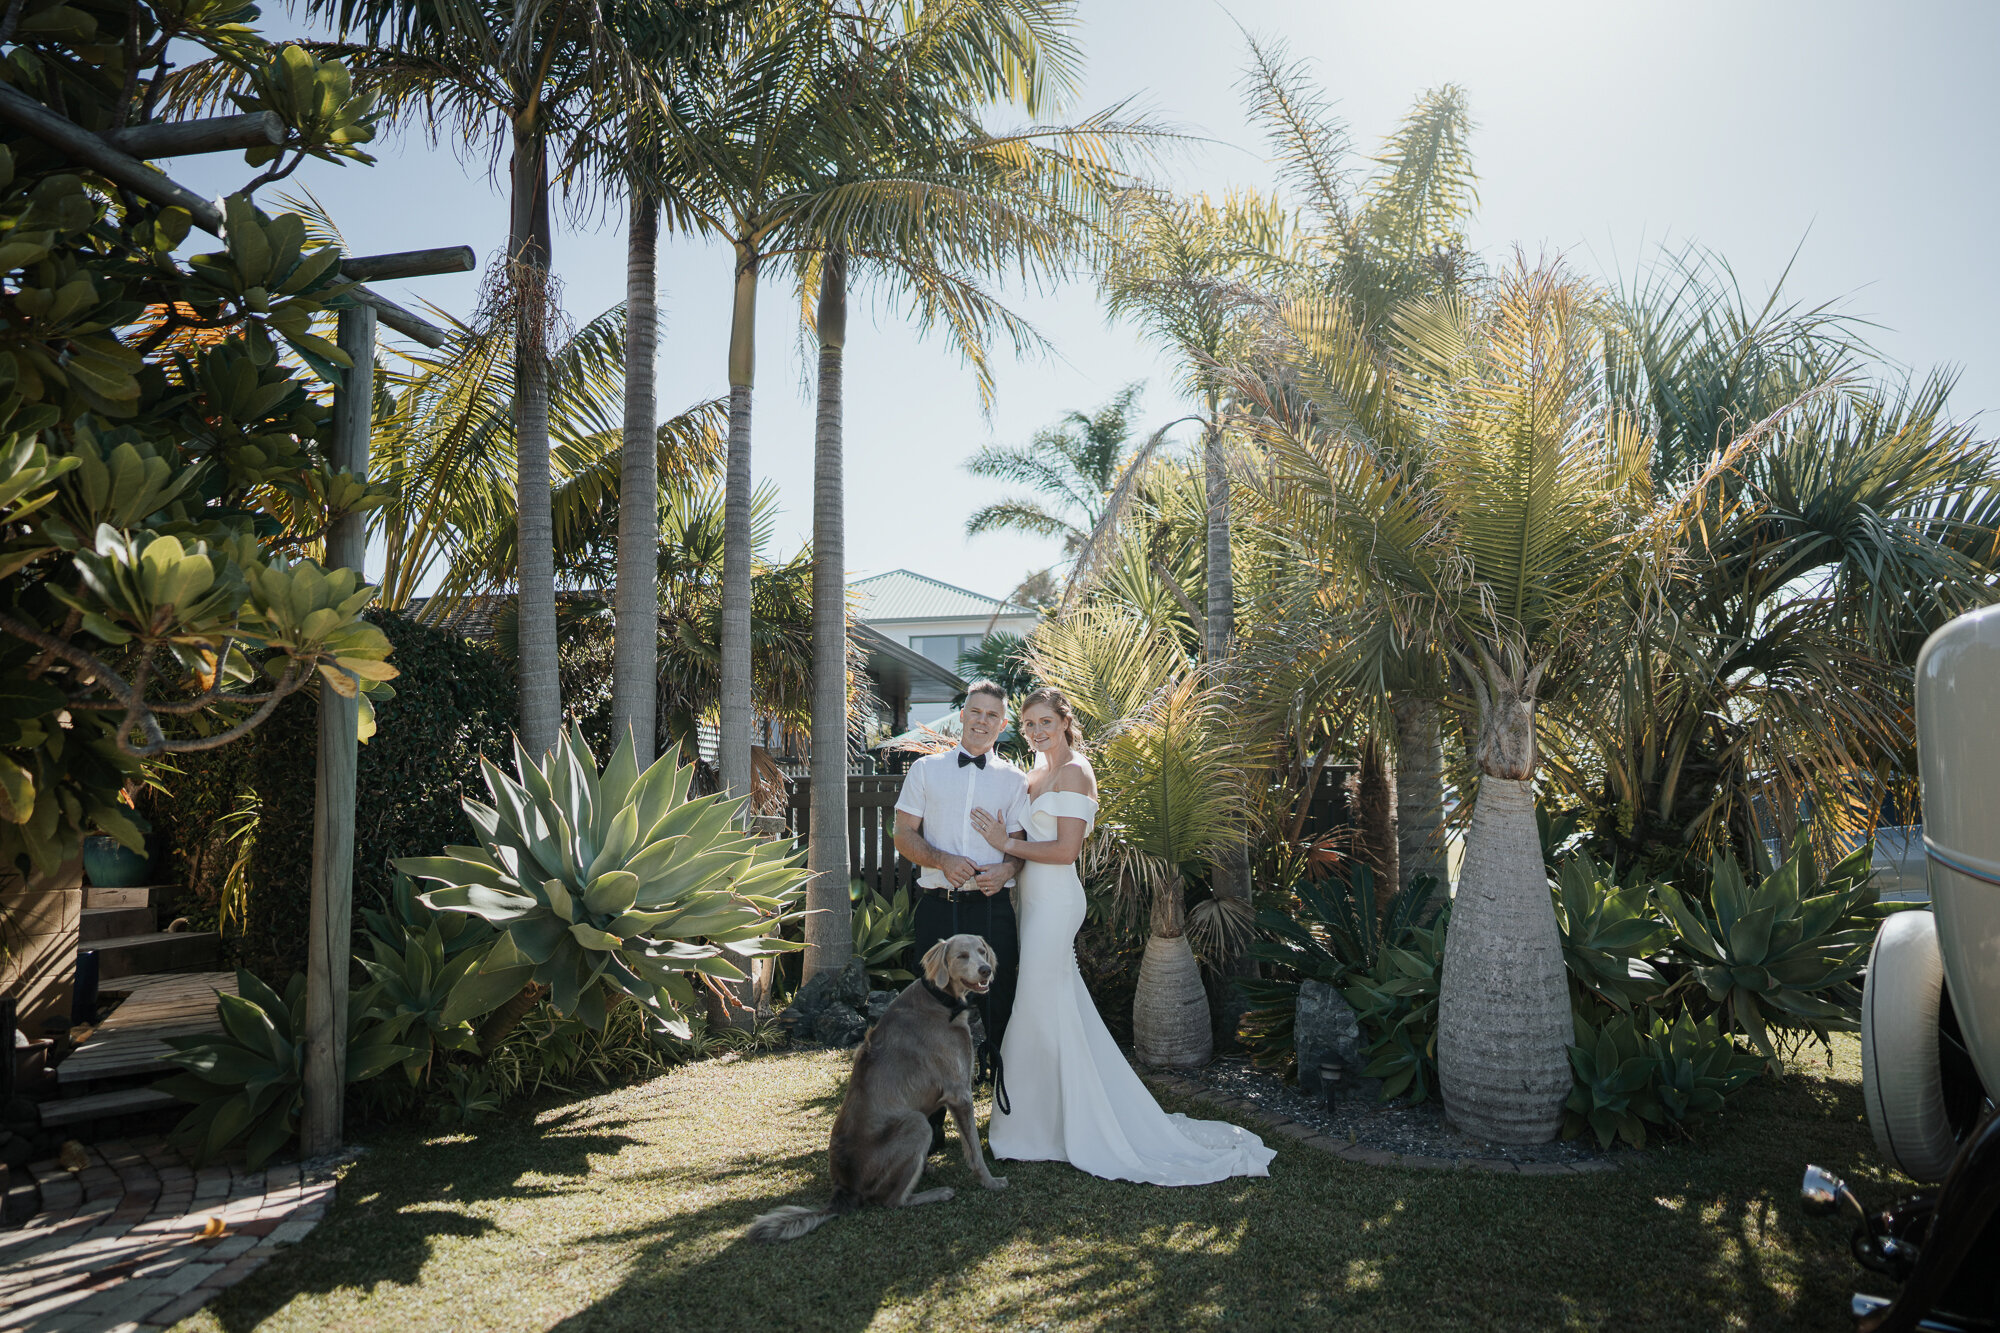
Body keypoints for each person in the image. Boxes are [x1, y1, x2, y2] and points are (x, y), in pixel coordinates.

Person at [970, 686, 1275, 1185]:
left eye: (1045, 722)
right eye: (1028, 725)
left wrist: (1005, 843)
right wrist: (1003, 864)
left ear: (1064, 721)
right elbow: (1021, 848)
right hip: (1030, 903)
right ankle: (1044, 1123)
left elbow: (1067, 851)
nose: (1037, 731)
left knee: (1035, 1004)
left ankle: (1039, 1131)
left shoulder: (1076, 771)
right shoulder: (1033, 776)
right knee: (1051, 1005)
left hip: (1057, 902)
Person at [892, 681, 1026, 1146]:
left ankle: (1012, 1126)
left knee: (1005, 1011)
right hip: (938, 911)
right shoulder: (926, 770)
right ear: (962, 714)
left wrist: (1007, 867)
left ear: (1003, 725)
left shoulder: (1015, 781)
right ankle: (928, 1131)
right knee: (931, 1018)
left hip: (993, 914)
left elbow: (1024, 847)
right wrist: (941, 861)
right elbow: (903, 836)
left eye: (992, 715)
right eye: (975, 711)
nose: (982, 720)